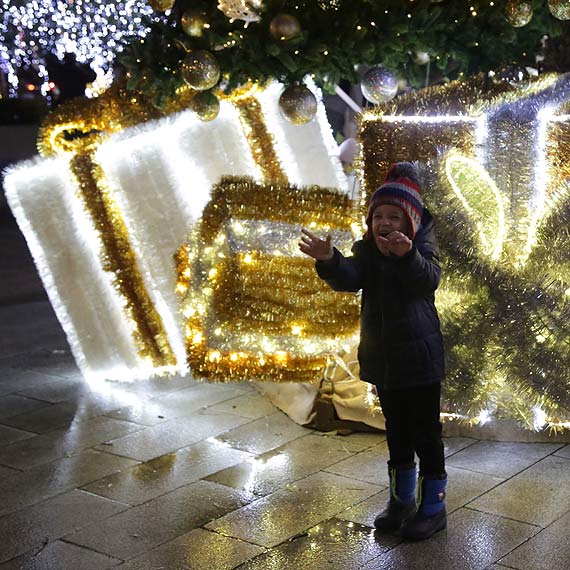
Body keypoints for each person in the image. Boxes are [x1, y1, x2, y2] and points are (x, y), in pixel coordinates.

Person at [299, 162, 447, 540]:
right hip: (385, 362)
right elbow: (350, 278)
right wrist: (329, 260)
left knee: (426, 434)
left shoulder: (420, 249)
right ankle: (402, 500)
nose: (384, 222)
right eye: (378, 215)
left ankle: (434, 506)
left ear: (410, 222)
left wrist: (406, 254)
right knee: (396, 431)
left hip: (421, 361)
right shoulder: (367, 251)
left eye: (393, 216)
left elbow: (428, 279)